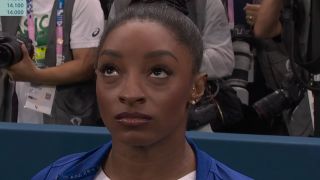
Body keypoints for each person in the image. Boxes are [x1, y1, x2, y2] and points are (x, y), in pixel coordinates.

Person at [32, 4, 252, 179]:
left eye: (158, 72)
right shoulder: (55, 176)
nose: (130, 93)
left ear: (196, 88)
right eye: (110, 70)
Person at [1, 0, 104, 125]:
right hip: (14, 114)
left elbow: (86, 65)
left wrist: (34, 75)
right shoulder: (11, 2)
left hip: (65, 118)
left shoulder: (84, 2)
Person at [108, 0, 234, 80]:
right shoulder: (121, 4)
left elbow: (223, 60)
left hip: (188, 99)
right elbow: (107, 56)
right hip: (130, 89)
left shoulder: (205, 3)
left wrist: (173, 62)